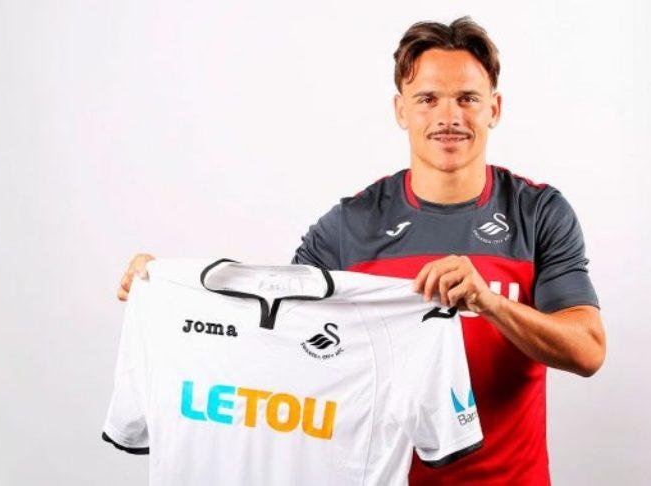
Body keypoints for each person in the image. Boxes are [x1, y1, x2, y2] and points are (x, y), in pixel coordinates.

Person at [116, 16, 605, 486]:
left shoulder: (538, 213)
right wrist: (170, 289)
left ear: (494, 109)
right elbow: (271, 333)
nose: (449, 117)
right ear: (401, 110)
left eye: (467, 98)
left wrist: (491, 303)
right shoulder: (352, 224)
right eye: (427, 99)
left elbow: (588, 351)